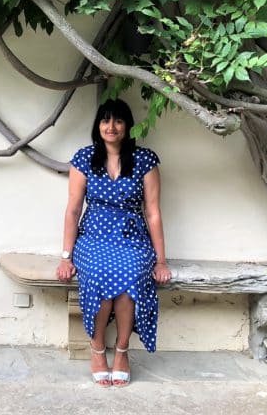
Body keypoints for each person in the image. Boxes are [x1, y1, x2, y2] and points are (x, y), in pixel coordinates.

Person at [56, 98, 171, 387]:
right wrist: (66, 256)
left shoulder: (145, 160)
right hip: (92, 238)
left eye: (118, 121)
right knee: (98, 274)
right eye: (105, 120)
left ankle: (121, 351)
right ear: (98, 125)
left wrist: (160, 260)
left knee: (130, 275)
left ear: (127, 126)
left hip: (132, 238)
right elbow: (72, 209)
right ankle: (97, 350)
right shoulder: (84, 158)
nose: (111, 126)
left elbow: (153, 212)